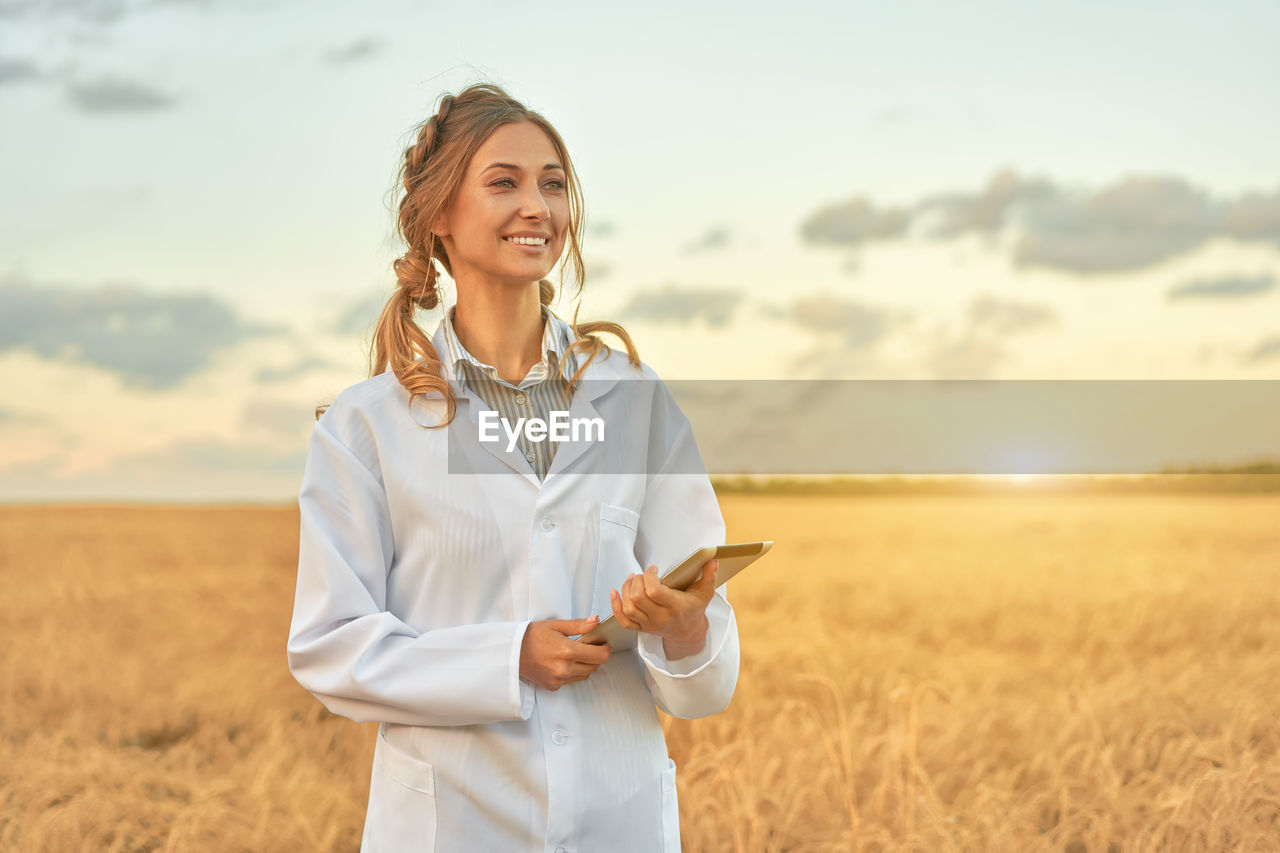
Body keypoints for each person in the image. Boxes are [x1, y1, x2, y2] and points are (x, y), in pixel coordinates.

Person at [286, 83, 739, 852]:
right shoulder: (365, 426)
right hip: (452, 820)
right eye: (504, 182)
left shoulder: (636, 400)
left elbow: (705, 679)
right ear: (437, 216)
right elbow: (329, 645)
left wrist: (687, 626)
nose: (538, 205)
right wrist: (508, 657)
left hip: (616, 817)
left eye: (553, 183)